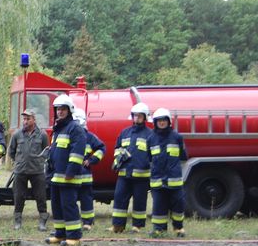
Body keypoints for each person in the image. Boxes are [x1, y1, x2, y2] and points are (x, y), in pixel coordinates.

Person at [45, 95, 86, 246]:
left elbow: (77, 153)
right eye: (58, 109)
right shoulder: (58, 129)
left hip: (69, 177)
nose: (60, 112)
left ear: (69, 110)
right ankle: (60, 234)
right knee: (57, 206)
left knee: (69, 206)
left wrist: (71, 172)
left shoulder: (75, 128)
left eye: (63, 109)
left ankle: (74, 237)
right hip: (56, 176)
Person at [110, 102, 153, 233]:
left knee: (139, 201)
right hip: (124, 174)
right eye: (135, 115)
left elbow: (153, 154)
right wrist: (119, 156)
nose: (137, 118)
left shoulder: (150, 135)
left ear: (145, 117)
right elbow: (117, 148)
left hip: (141, 176)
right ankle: (118, 226)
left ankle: (137, 226)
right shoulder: (125, 132)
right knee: (119, 198)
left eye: (140, 116)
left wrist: (148, 164)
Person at [148, 107, 188, 237]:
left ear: (169, 121)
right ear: (155, 122)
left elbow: (183, 156)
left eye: (164, 120)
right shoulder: (151, 139)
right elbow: (149, 158)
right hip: (157, 180)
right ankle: (159, 229)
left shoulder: (177, 137)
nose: (161, 123)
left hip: (174, 179)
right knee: (159, 205)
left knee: (178, 204)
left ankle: (178, 228)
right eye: (159, 121)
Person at [8, 108, 50, 231]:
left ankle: (42, 222)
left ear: (34, 120)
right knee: (18, 196)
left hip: (37, 171)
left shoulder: (42, 135)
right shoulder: (17, 134)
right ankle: (17, 222)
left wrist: (38, 161)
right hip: (20, 171)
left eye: (28, 119)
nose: (25, 121)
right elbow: (11, 152)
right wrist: (20, 161)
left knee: (41, 197)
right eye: (24, 119)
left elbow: (46, 151)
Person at [72, 108, 106, 230]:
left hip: (85, 176)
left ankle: (88, 223)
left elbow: (102, 148)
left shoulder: (90, 137)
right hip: (71, 175)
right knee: (71, 200)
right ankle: (73, 220)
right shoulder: (69, 135)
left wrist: (92, 160)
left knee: (86, 200)